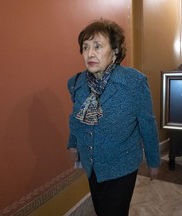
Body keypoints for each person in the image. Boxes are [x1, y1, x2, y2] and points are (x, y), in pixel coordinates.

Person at [66, 19, 160, 216]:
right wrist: (73, 143)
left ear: (115, 51)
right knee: (101, 209)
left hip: (122, 166)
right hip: (92, 165)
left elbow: (147, 123)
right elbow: (76, 118)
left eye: (97, 46)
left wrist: (153, 161)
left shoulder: (134, 82)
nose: (90, 53)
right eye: (85, 47)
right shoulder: (77, 82)